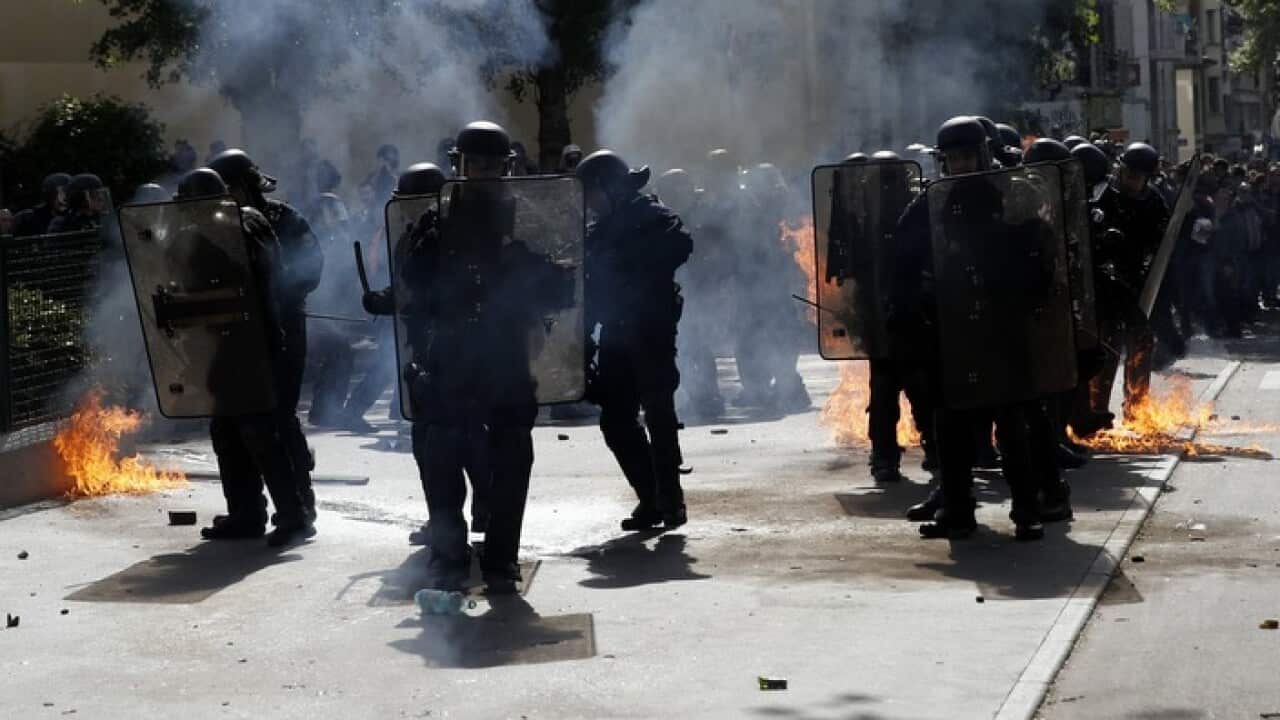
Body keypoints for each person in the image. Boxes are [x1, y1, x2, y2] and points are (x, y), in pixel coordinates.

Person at [370, 122, 574, 592]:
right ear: (458, 165)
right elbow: (412, 282)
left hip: (506, 355)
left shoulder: (528, 219)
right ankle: (449, 556)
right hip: (448, 358)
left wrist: (525, 267)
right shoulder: (435, 223)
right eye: (475, 164)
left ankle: (502, 560)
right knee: (441, 457)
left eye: (492, 165)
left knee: (510, 461)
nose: (483, 174)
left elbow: (559, 288)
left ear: (507, 168)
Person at [891, 116, 1058, 541]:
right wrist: (914, 306)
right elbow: (902, 254)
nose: (962, 165)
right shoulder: (934, 200)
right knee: (950, 422)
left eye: (967, 156)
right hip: (953, 324)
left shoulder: (1010, 192)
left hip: (1003, 321)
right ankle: (958, 509)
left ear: (983, 154)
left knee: (1011, 421)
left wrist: (1027, 292)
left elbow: (1041, 247)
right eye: (954, 158)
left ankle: (1027, 509)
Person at [172, 168, 312, 547]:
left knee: (261, 431)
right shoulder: (212, 231)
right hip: (219, 348)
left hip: (252, 345)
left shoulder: (245, 227)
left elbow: (252, 284)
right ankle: (246, 514)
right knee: (227, 432)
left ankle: (294, 515)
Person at [578, 149, 693, 531]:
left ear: (609, 188)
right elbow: (589, 287)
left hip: (651, 331)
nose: (589, 204)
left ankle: (671, 501)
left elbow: (680, 245)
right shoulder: (597, 231)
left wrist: (629, 263)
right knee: (615, 421)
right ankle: (650, 496)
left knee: (659, 415)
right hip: (615, 334)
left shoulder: (649, 214)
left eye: (591, 193)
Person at [209, 148, 324, 527]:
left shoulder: (283, 218)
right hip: (232, 334)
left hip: (282, 329)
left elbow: (311, 268)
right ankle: (246, 513)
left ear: (244, 186)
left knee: (277, 417)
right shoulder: (211, 224)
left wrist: (273, 295)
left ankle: (300, 507)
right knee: (227, 422)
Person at [1088, 143, 1170, 422]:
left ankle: (1136, 409)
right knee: (1107, 349)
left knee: (1141, 345)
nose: (1130, 180)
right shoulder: (1103, 197)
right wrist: (1104, 239)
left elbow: (1162, 242)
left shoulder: (1155, 202)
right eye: (1128, 173)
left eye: (1137, 176)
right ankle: (1097, 411)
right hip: (1108, 282)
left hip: (1138, 282)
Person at [12, 173, 70, 237]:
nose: (64, 198)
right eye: (57, 193)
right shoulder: (28, 219)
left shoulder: (74, 218)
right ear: (49, 195)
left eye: (67, 192)